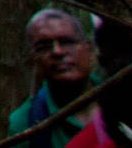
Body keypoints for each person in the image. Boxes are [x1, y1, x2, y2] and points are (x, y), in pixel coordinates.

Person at [12, 8, 106, 148]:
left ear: (89, 49)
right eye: (44, 47)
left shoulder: (123, 95)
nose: (57, 51)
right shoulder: (25, 121)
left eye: (67, 42)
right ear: (34, 60)